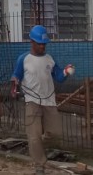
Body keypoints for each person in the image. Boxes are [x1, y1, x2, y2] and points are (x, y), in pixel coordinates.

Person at [10, 25, 74, 175]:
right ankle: (39, 166)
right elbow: (16, 76)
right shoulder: (23, 59)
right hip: (32, 101)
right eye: (39, 43)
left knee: (55, 132)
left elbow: (58, 76)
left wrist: (65, 71)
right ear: (31, 42)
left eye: (44, 44)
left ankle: (37, 144)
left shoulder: (49, 59)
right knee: (33, 135)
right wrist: (14, 87)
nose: (42, 46)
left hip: (49, 101)